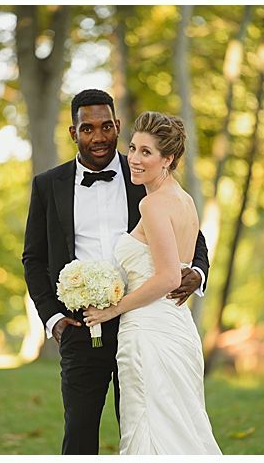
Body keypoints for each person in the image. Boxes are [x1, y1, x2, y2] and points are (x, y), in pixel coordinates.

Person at [21, 89, 209, 454]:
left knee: (145, 423)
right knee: (79, 431)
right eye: (88, 129)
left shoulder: (144, 173)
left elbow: (192, 235)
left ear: (118, 126)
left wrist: (196, 273)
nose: (99, 136)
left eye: (107, 126)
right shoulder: (47, 185)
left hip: (143, 322)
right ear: (73, 133)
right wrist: (54, 318)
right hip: (81, 326)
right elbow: (33, 258)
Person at [83, 111, 221, 454]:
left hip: (149, 333)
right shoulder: (185, 200)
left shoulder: (154, 204)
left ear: (167, 159)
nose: (134, 158)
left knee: (150, 429)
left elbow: (168, 277)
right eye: (132, 148)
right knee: (181, 427)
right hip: (177, 327)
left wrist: (111, 310)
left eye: (146, 152)